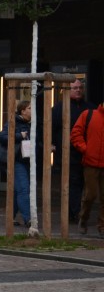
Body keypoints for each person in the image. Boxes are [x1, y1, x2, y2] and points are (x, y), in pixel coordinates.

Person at [52, 79, 94, 230]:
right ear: (68, 90)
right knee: (73, 183)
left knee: (83, 184)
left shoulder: (90, 108)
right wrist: (51, 144)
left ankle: (74, 212)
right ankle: (74, 212)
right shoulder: (59, 108)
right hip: (66, 152)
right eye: (75, 88)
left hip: (86, 153)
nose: (78, 90)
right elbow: (50, 127)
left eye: (80, 88)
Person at [0, 99, 37, 232]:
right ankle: (29, 220)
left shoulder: (32, 124)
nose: (32, 111)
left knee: (17, 191)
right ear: (23, 111)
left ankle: (11, 216)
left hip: (27, 161)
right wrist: (18, 136)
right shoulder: (13, 122)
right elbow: (2, 137)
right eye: (29, 108)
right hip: (16, 160)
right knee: (23, 189)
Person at [70, 100, 104, 236]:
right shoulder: (89, 114)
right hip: (91, 162)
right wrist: (86, 149)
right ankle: (83, 218)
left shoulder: (89, 114)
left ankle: (102, 225)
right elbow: (75, 134)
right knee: (90, 195)